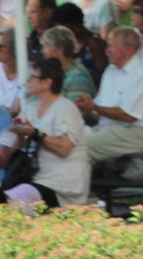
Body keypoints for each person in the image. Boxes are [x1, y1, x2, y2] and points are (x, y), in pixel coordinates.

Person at [6, 58, 90, 207]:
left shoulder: (66, 108)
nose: (28, 81)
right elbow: (19, 147)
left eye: (32, 77)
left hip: (63, 183)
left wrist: (35, 133)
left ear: (47, 82)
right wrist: (20, 134)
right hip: (38, 177)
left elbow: (64, 149)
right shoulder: (31, 108)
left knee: (19, 200)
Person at [74, 27, 143, 164]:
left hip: (135, 132)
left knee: (77, 149)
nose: (106, 49)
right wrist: (87, 106)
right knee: (66, 141)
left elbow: (129, 116)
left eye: (111, 45)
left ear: (127, 48)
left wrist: (94, 107)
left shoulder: (142, 74)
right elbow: (99, 108)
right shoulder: (110, 70)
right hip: (107, 128)